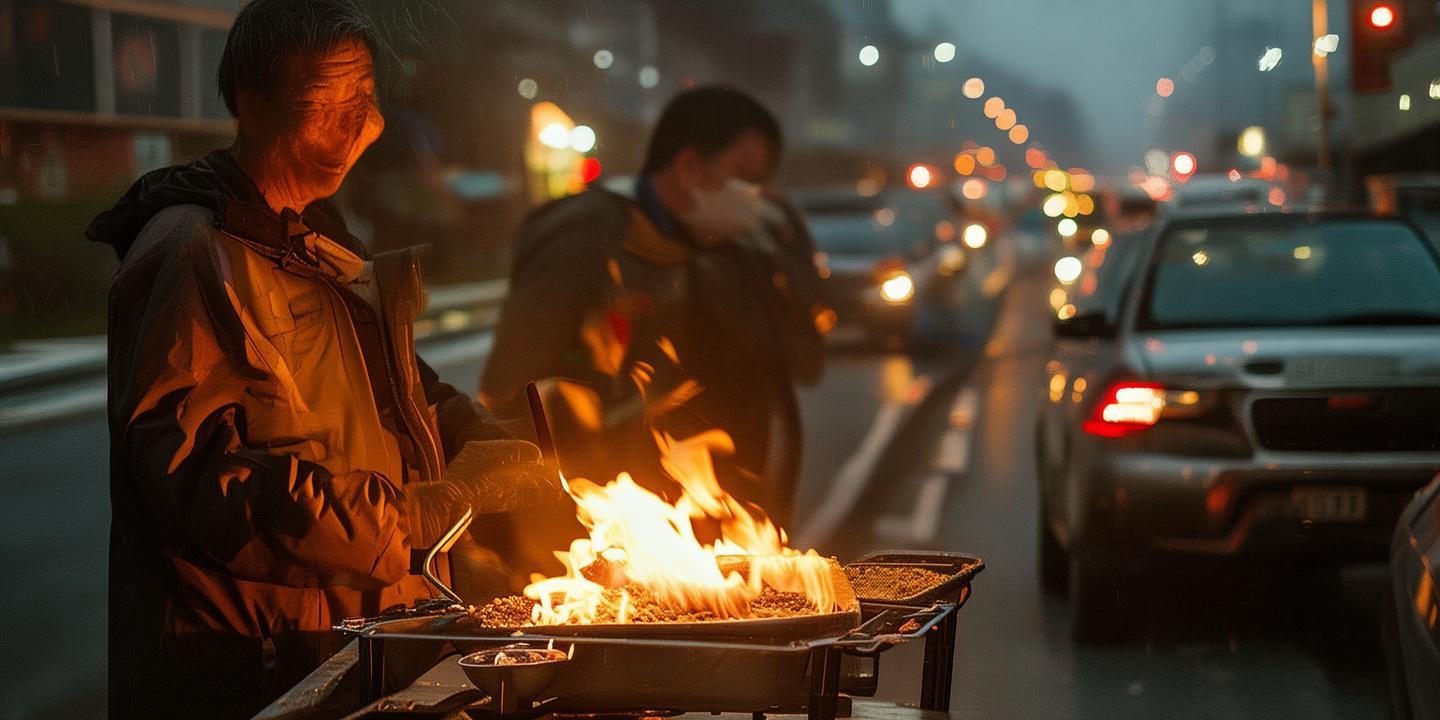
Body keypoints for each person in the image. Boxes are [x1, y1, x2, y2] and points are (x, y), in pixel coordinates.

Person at [86, 1, 568, 716]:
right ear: (251, 102)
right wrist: (423, 513)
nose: (353, 126)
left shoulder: (313, 237)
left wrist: (481, 437)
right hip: (256, 667)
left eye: (364, 100)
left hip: (342, 641)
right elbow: (202, 483)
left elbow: (395, 389)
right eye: (323, 101)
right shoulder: (192, 252)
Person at [481, 86, 826, 528]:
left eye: (764, 182)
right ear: (688, 167)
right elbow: (513, 395)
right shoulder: (589, 234)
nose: (757, 195)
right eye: (745, 176)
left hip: (707, 521)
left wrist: (789, 245)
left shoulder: (719, 250)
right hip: (612, 528)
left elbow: (802, 358)